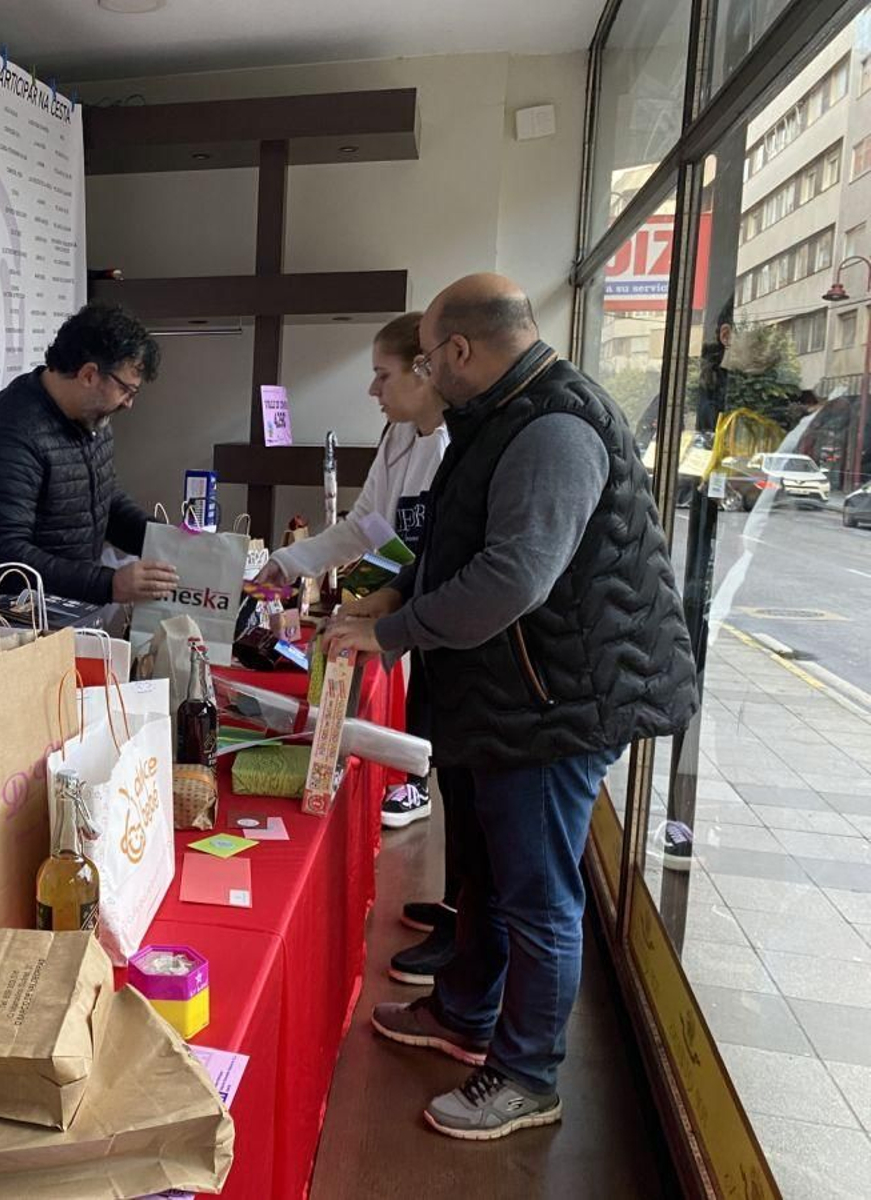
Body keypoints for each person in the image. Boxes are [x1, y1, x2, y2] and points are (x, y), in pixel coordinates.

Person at [327, 274, 697, 1141]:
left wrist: (393, 631)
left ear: (458, 350)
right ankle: (464, 1015)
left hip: (553, 701)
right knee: (487, 875)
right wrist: (395, 592)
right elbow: (446, 538)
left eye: (423, 359)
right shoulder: (494, 415)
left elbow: (511, 578)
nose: (414, 377)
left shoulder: (553, 428)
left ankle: (529, 1076)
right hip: (510, 697)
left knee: (536, 894)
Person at [255, 313, 458, 987]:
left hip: (446, 624)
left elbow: (434, 558)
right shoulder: (399, 434)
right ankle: (455, 910)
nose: (373, 390)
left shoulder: (458, 445)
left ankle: (462, 928)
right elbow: (369, 528)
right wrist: (291, 563)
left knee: (465, 779)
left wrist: (383, 609)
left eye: (382, 374)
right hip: (411, 609)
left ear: (425, 370)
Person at [0, 303, 179, 614]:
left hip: (60, 613)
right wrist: (109, 583)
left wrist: (166, 542)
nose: (128, 404)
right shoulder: (7, 432)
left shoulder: (92, 418)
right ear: (89, 375)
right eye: (126, 391)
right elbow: (5, 555)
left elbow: (105, 502)